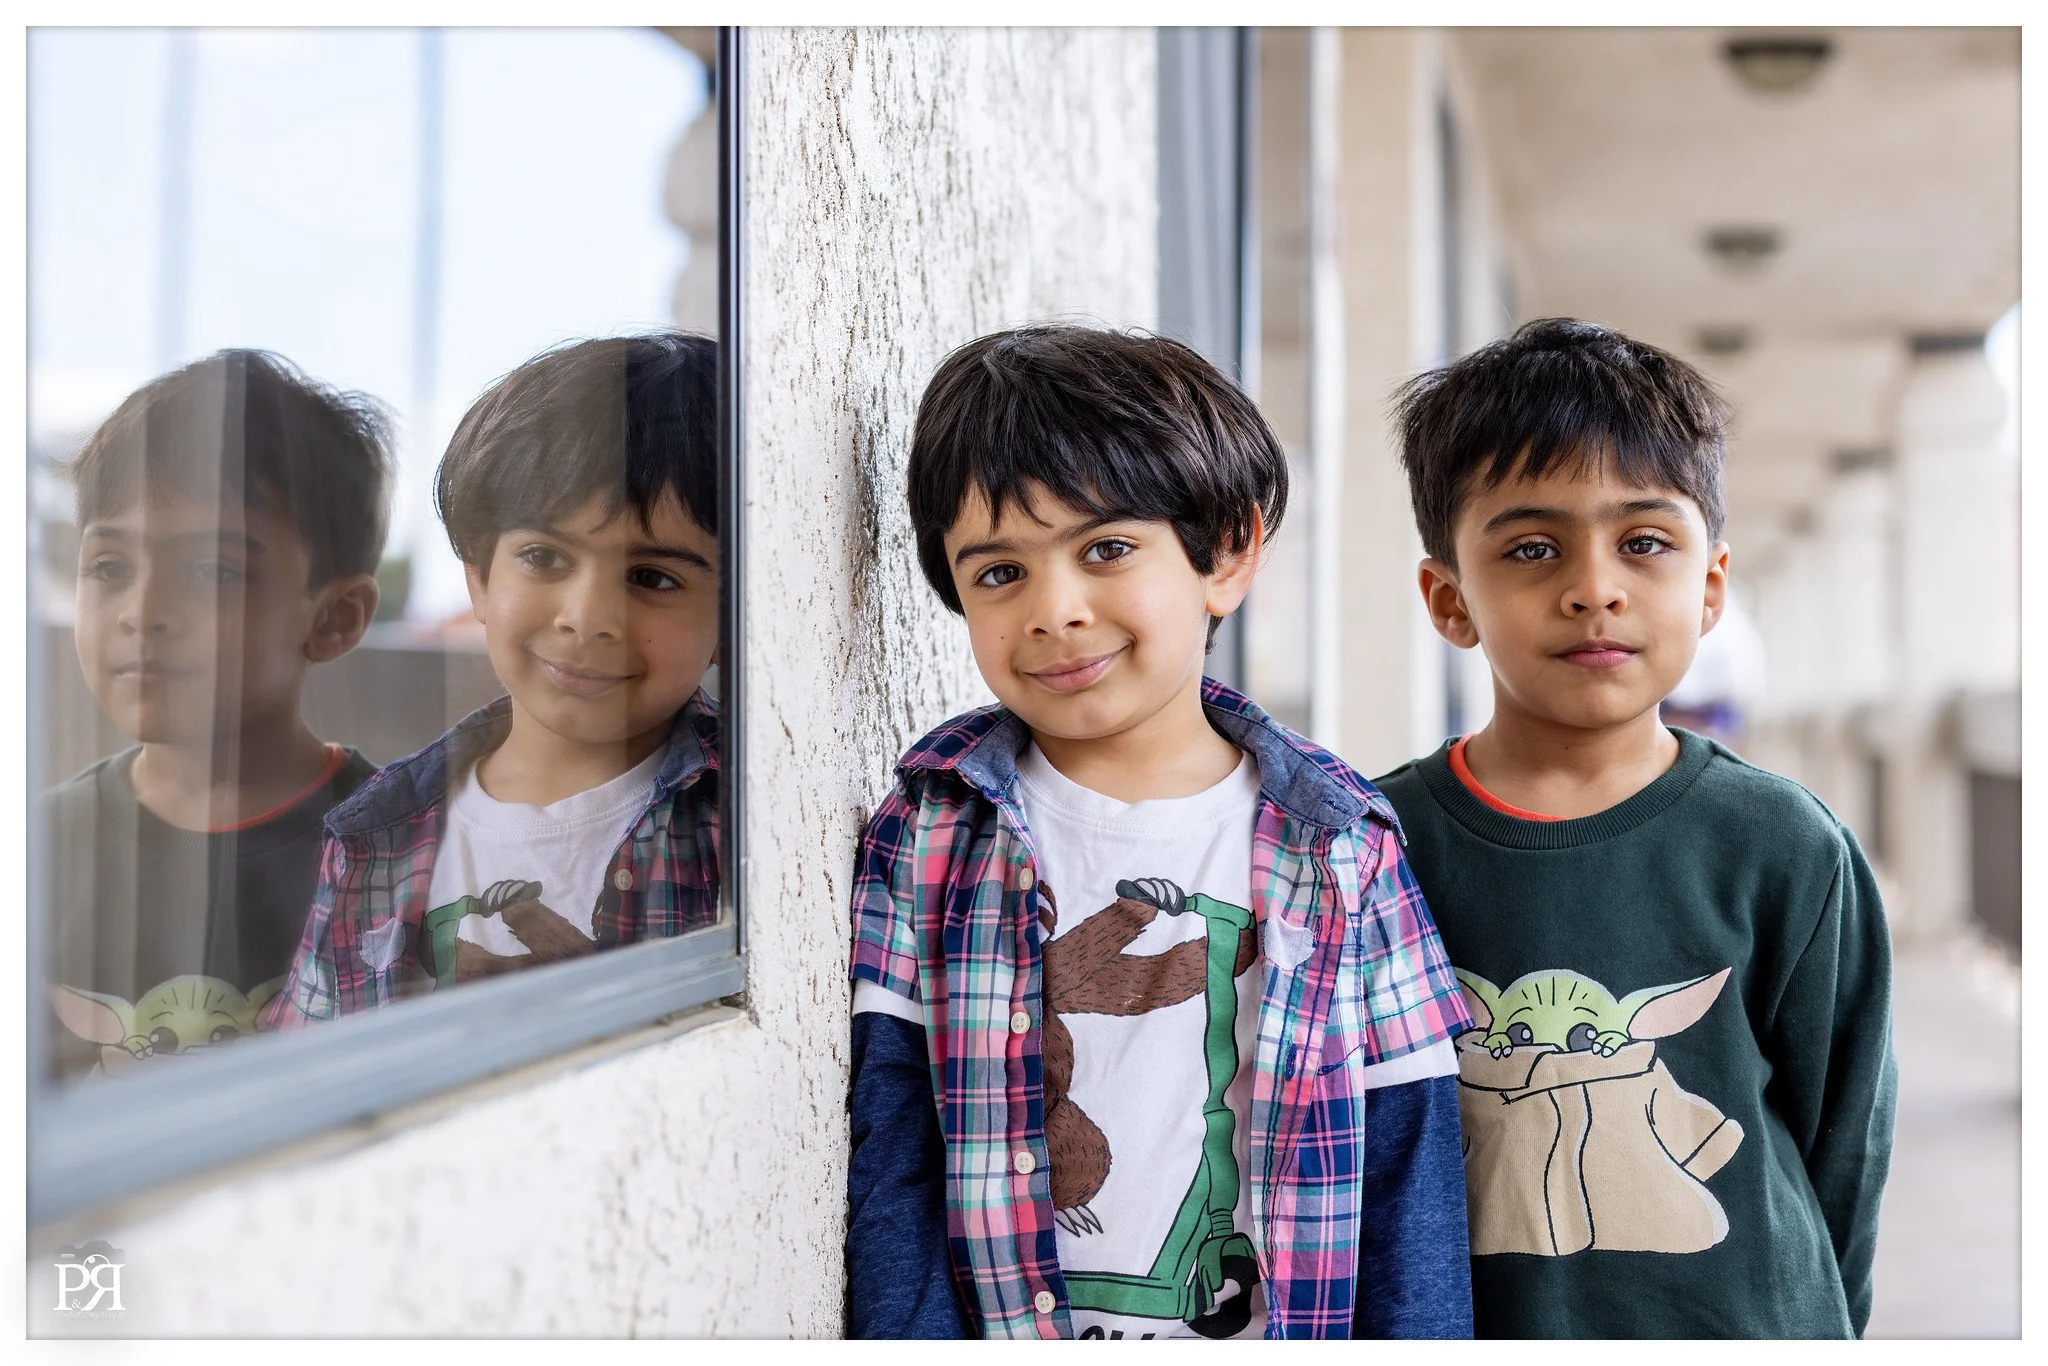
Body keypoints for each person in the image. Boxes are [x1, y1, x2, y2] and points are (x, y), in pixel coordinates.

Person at [845, 325, 1474, 1340]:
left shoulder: (1342, 848)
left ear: (1226, 553)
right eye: (999, 571)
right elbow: (891, 1156)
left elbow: (1408, 1177)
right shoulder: (929, 834)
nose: (1053, 610)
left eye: (1105, 549)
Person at [1376, 317, 1896, 1338]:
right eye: (1530, 548)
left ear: (1707, 588)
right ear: (1448, 599)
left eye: (1643, 542)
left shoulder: (1782, 845)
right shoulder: (1374, 846)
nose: (1593, 587)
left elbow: (1844, 1147)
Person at [262, 332, 722, 1027]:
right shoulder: (375, 832)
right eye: (544, 557)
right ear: (478, 577)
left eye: (653, 577)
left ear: (732, 614)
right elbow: (300, 1075)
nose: (587, 618)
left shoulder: (745, 820)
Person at [45, 350, 390, 1077]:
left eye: (212, 571)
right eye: (110, 569)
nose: (143, 613)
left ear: (335, 617)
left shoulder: (402, 850)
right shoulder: (33, 851)